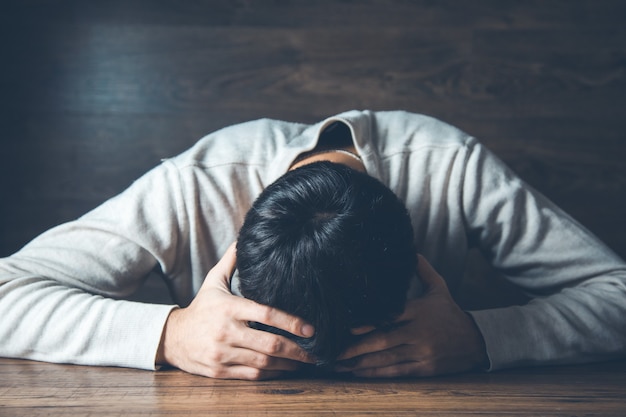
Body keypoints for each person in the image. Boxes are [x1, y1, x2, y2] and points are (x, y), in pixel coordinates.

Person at [1, 110, 625, 380]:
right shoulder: (191, 187)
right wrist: (172, 334)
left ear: (415, 258)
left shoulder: (453, 170)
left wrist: (485, 338)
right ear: (237, 247)